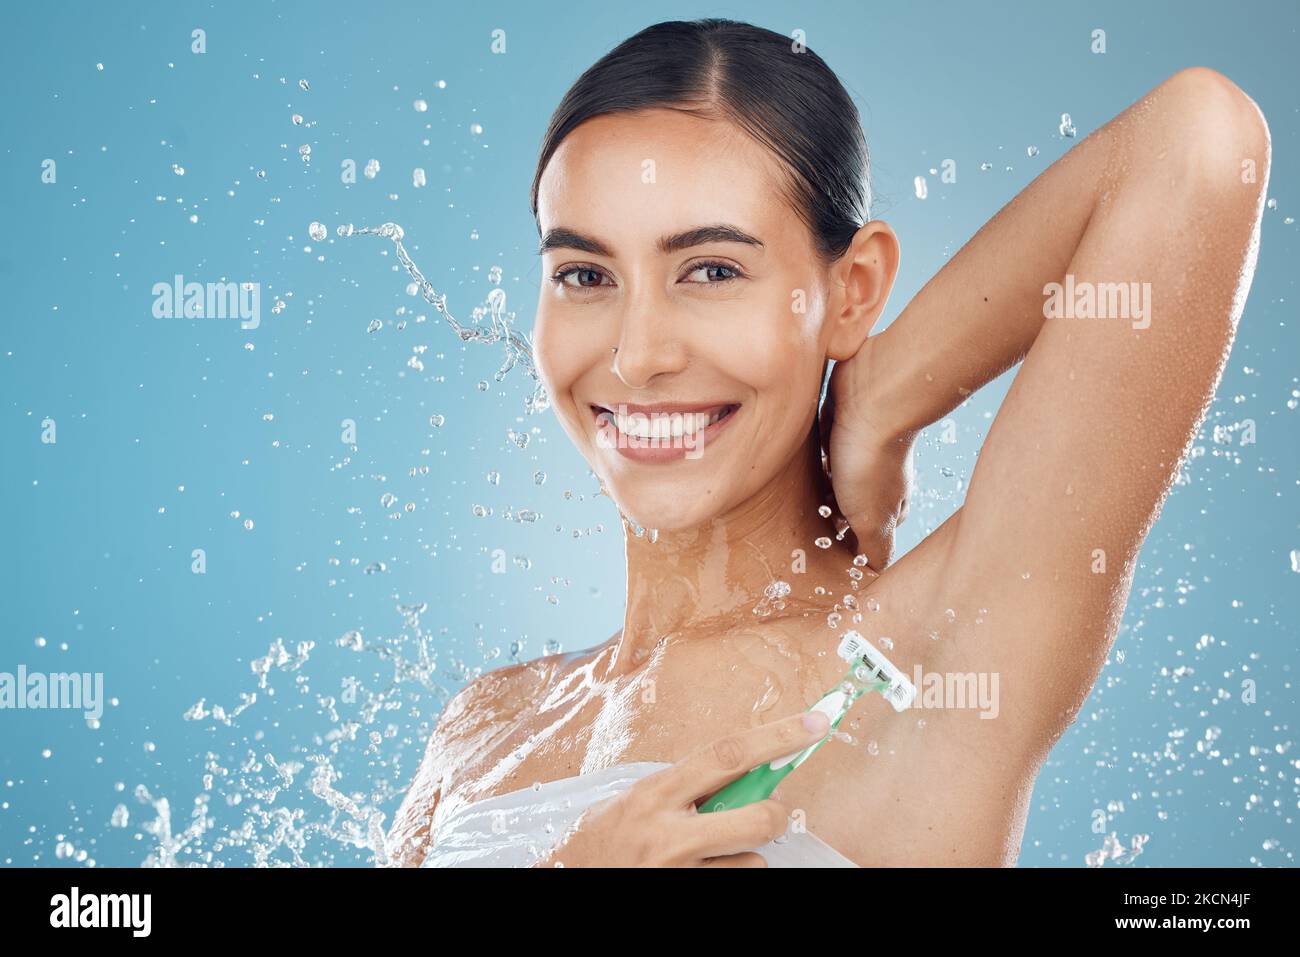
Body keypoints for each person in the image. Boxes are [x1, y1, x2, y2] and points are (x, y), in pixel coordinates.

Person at [386, 17, 1269, 867]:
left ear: (852, 290)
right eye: (584, 275)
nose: (637, 354)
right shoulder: (484, 725)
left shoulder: (920, 665)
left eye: (713, 271)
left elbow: (1200, 143)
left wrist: (885, 400)